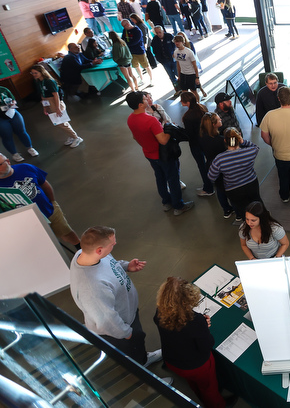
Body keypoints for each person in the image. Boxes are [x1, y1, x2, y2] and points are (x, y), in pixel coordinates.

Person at [70, 226, 163, 367]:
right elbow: (107, 320)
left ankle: (142, 357)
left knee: (137, 345)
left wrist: (126, 266)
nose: (115, 245)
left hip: (127, 315)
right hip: (121, 327)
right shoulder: (92, 288)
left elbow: (109, 265)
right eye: (112, 244)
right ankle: (143, 365)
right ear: (99, 250)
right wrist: (127, 334)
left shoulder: (83, 254)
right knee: (134, 352)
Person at [154, 277, 235, 408]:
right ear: (188, 300)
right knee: (209, 389)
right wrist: (203, 326)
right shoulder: (195, 321)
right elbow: (207, 345)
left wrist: (200, 324)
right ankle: (218, 405)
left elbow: (178, 327)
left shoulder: (160, 312)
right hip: (196, 367)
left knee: (194, 384)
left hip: (173, 361)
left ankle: (202, 398)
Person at [126, 91, 194, 216]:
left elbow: (135, 138)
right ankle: (179, 206)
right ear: (141, 104)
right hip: (164, 155)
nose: (147, 100)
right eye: (145, 99)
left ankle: (166, 202)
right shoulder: (151, 120)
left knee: (160, 178)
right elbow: (163, 140)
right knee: (173, 179)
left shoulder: (130, 119)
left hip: (149, 154)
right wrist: (169, 129)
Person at [0, 153, 80, 248]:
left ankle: (80, 248)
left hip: (50, 211)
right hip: (29, 222)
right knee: (44, 244)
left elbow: (44, 184)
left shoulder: (26, 168)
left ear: (8, 161)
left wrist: (52, 202)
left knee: (66, 232)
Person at [207, 127, 261, 222]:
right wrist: (243, 141)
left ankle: (249, 226)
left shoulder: (219, 159)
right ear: (239, 137)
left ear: (224, 140)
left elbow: (211, 177)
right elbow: (256, 147)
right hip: (251, 183)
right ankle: (262, 221)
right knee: (257, 203)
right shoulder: (249, 152)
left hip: (233, 189)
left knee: (243, 209)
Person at [30, 65, 83, 148]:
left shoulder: (49, 81)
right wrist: (45, 107)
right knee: (58, 123)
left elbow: (56, 95)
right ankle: (71, 136)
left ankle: (76, 137)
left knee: (62, 122)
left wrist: (58, 108)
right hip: (48, 101)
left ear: (41, 72)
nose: (34, 74)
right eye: (32, 73)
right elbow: (43, 95)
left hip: (55, 102)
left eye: (36, 73)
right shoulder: (39, 81)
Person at [199, 112, 235, 218]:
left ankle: (226, 210)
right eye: (219, 120)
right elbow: (230, 150)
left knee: (220, 189)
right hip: (224, 167)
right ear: (213, 124)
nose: (221, 120)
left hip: (211, 166)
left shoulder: (201, 137)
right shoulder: (220, 140)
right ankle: (236, 210)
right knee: (230, 189)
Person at [180, 92, 215, 198]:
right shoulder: (202, 108)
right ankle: (214, 180)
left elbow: (189, 134)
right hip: (207, 140)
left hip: (196, 144)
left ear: (187, 102)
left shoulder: (187, 117)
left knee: (201, 165)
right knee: (210, 162)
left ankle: (208, 188)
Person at [0, 86, 38, 162]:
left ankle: (30, 148)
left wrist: (13, 103)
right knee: (7, 136)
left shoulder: (3, 89)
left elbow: (13, 100)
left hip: (12, 112)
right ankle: (14, 154)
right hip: (1, 118)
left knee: (22, 131)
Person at [121, 19, 154, 87]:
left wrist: (126, 44)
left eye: (124, 26)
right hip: (131, 52)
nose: (124, 28)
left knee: (146, 66)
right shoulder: (125, 30)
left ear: (127, 24)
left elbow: (135, 41)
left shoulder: (137, 30)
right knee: (136, 66)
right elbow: (123, 38)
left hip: (139, 51)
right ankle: (142, 79)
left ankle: (151, 79)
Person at [151, 26, 180, 98]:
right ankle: (177, 89)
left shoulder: (170, 36)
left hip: (173, 59)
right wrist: (159, 60)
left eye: (160, 32)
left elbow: (176, 46)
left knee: (178, 73)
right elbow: (155, 51)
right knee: (171, 76)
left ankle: (184, 87)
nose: (159, 34)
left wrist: (175, 54)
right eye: (157, 33)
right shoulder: (155, 40)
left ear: (163, 31)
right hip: (164, 61)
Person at [174, 35, 200, 102]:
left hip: (191, 74)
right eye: (176, 42)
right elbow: (178, 64)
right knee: (184, 92)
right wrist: (179, 76)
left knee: (193, 91)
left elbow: (195, 65)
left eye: (179, 42)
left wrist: (197, 77)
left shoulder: (189, 52)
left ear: (183, 42)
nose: (177, 43)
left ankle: (198, 104)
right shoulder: (176, 52)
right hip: (183, 74)